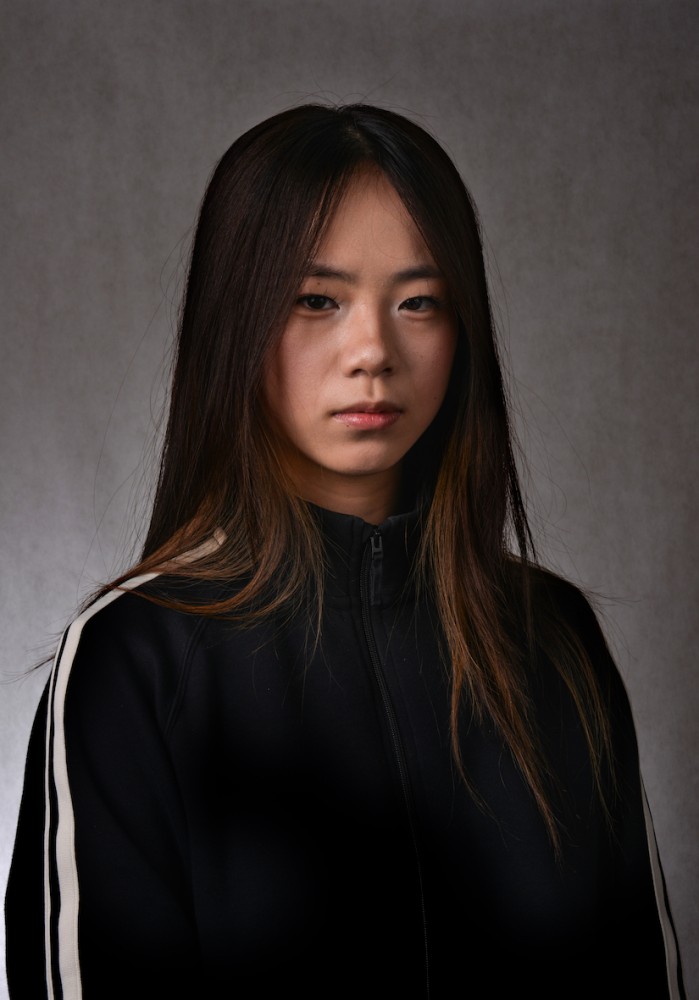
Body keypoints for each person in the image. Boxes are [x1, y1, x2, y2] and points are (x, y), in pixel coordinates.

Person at [5, 104, 685, 999]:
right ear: (236, 321)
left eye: (419, 301)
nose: (373, 351)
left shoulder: (553, 640)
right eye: (316, 300)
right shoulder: (136, 658)